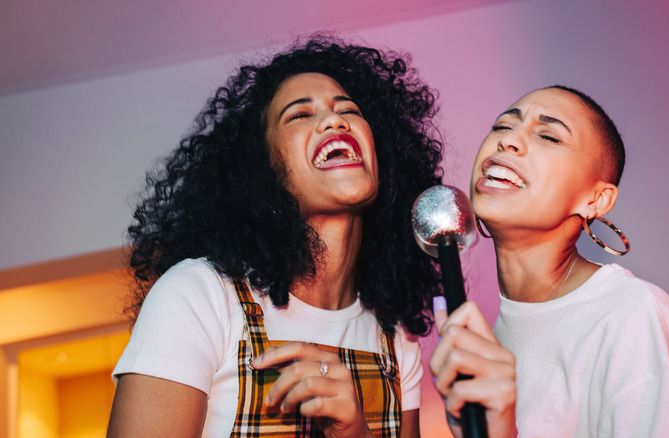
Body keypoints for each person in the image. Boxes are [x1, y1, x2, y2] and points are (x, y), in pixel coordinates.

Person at [107, 36, 444, 437]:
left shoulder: (395, 339)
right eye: (299, 115)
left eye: (349, 110)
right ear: (261, 169)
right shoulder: (198, 295)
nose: (335, 121)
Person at [429, 85, 669, 437]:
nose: (509, 141)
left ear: (596, 200)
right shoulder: (490, 344)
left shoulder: (631, 313)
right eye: (503, 126)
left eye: (549, 136)